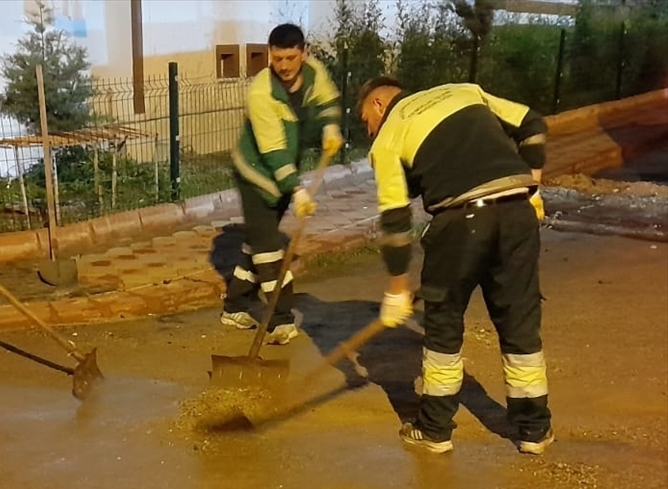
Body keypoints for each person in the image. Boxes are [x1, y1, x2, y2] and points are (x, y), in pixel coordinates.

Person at [357, 76, 553, 455]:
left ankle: (434, 429)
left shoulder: (389, 137)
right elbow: (532, 123)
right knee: (519, 322)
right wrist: (533, 186)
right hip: (516, 214)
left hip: (460, 221)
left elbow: (396, 218)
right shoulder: (466, 91)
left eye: (366, 120)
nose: (369, 131)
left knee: (444, 326)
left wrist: (397, 286)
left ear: (380, 105)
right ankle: (533, 430)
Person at [221, 22, 344, 341]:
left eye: (290, 58)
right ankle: (280, 319)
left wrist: (330, 127)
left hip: (286, 173)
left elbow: (328, 101)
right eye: (277, 59)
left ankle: (234, 305)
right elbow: (273, 151)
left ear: (303, 54)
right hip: (256, 175)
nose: (284, 66)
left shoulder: (314, 72)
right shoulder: (261, 92)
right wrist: (298, 190)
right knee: (270, 252)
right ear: (270, 57)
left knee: (259, 244)